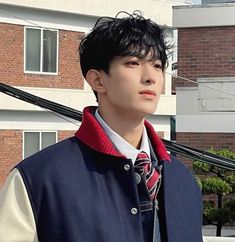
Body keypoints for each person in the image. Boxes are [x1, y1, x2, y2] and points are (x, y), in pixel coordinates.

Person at [0, 11, 203, 242]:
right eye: (133, 63)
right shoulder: (37, 179)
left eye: (157, 65)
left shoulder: (183, 181)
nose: (151, 77)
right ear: (97, 80)